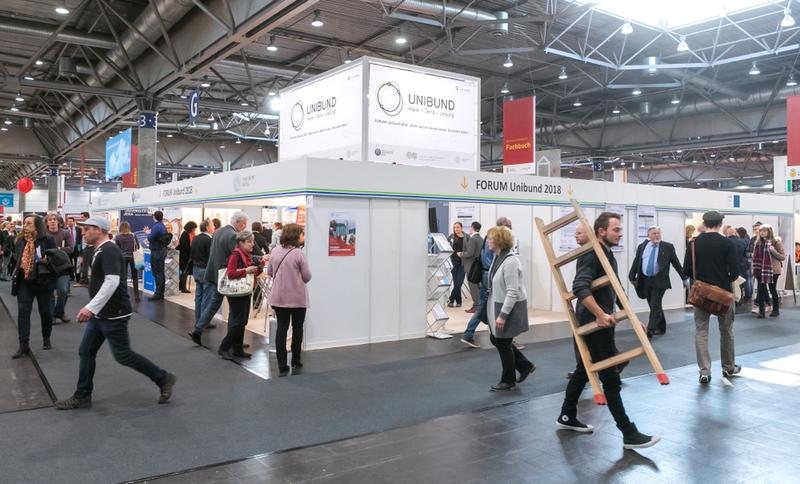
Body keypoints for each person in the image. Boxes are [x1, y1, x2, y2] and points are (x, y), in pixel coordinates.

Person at [557, 212, 660, 450]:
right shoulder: (594, 253)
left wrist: (632, 317)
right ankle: (628, 433)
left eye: (620, 229)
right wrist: (599, 314)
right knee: (610, 378)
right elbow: (580, 287)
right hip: (594, 325)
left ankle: (566, 415)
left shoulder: (605, 252)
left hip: (600, 322)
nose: (620, 233)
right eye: (616, 229)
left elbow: (615, 287)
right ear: (601, 231)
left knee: (583, 369)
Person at [53, 217, 176, 409]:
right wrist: (94, 308)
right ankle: (83, 395)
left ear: (99, 230)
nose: (83, 233)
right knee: (86, 351)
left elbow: (111, 281)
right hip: (102, 313)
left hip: (113, 313)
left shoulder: (109, 250)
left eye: (87, 229)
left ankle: (163, 378)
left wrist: (90, 308)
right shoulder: (100, 249)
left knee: (123, 355)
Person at [684, 211, 740, 384]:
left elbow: (686, 270)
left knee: (701, 331)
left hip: (701, 294)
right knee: (727, 331)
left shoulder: (694, 243)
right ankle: (728, 367)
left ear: (704, 223)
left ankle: (704, 371)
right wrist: (723, 281)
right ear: (720, 223)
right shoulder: (727, 243)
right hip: (723, 294)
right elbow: (735, 272)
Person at [484, 226, 535, 392]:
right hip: (497, 304)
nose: (488, 241)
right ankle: (525, 365)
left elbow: (512, 291)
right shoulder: (498, 257)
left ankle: (508, 380)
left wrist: (503, 315)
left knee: (502, 341)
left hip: (507, 307)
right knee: (496, 339)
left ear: (499, 241)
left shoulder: (511, 261)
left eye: (491, 238)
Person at [189, 211, 248, 345]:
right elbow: (238, 255)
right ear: (238, 222)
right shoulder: (232, 235)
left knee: (213, 304)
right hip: (226, 276)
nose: (244, 227)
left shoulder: (219, 231)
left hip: (215, 273)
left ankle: (197, 330)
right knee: (235, 309)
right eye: (244, 224)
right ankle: (234, 339)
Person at [268, 223, 311, 377]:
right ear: (296, 235)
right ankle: (296, 360)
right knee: (298, 328)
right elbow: (307, 276)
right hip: (297, 297)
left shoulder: (275, 251)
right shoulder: (299, 254)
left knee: (282, 328)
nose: (303, 236)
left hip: (279, 297)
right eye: (302, 233)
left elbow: (270, 271)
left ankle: (282, 364)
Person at [628, 226, 686, 338]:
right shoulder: (642, 246)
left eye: (658, 233)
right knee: (654, 305)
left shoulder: (668, 247)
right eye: (654, 233)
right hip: (645, 280)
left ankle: (649, 331)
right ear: (648, 235)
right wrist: (631, 276)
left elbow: (676, 263)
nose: (657, 235)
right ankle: (661, 327)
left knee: (655, 305)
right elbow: (637, 262)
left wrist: (684, 278)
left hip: (660, 281)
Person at [12, 215, 57, 358]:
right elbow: (17, 259)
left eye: (29, 223)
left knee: (46, 313)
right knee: (23, 313)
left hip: (43, 282)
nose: (25, 226)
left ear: (37, 225)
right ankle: (23, 345)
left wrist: (45, 261)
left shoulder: (48, 240)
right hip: (24, 281)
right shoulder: (20, 240)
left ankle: (46, 338)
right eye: (25, 223)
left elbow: (55, 259)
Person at [218, 231, 264, 360]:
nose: (252, 244)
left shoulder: (246, 255)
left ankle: (237, 348)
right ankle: (224, 347)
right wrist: (246, 270)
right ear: (241, 242)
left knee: (242, 321)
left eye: (252, 241)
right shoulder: (236, 254)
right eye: (249, 241)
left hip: (244, 291)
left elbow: (252, 272)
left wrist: (259, 266)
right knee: (238, 321)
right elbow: (231, 274)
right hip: (236, 293)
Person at [45, 213, 75, 325]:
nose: (52, 221)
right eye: (50, 219)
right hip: (47, 266)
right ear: (47, 222)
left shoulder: (65, 233)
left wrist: (56, 249)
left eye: (54, 219)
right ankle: (53, 314)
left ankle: (59, 312)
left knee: (63, 291)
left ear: (58, 221)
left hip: (62, 266)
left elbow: (71, 249)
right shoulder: (43, 233)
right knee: (50, 293)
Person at [752, 224, 785, 318]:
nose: (762, 233)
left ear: (769, 231)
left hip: (773, 270)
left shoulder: (776, 242)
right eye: (761, 231)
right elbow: (755, 256)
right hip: (760, 269)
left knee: (772, 289)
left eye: (764, 231)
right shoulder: (758, 243)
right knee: (761, 290)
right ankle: (761, 312)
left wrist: (773, 250)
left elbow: (782, 257)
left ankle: (776, 310)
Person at [190, 221, 213, 331]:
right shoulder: (209, 240)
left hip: (196, 268)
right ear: (208, 228)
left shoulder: (196, 238)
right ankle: (204, 322)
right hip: (205, 270)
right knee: (206, 297)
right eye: (212, 225)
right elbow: (211, 256)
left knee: (199, 296)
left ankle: (198, 320)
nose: (213, 227)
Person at [145, 211, 169, 301]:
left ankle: (158, 293)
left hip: (157, 252)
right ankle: (160, 292)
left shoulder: (156, 226)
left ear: (154, 217)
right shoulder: (162, 226)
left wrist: (148, 233)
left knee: (157, 273)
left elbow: (151, 238)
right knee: (160, 272)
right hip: (161, 251)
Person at [114, 221, 141, 302]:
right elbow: (138, 246)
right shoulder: (133, 235)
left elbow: (117, 248)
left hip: (123, 257)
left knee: (124, 276)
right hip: (133, 257)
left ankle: (124, 294)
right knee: (135, 276)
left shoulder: (118, 236)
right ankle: (136, 295)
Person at [462, 222, 483, 313]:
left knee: (473, 288)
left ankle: (476, 306)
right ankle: (479, 305)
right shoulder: (481, 239)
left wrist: (461, 254)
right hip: (478, 267)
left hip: (471, 267)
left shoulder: (472, 239)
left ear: (472, 228)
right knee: (478, 287)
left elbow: (469, 253)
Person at [748, 221, 768, 312]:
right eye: (755, 229)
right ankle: (766, 303)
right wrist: (751, 254)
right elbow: (747, 251)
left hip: (764, 266)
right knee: (762, 285)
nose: (756, 231)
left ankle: (759, 304)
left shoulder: (766, 240)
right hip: (755, 265)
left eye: (758, 229)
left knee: (762, 285)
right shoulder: (752, 239)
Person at [726, 226, 749, 304]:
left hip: (729, 266)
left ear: (727, 233)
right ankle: (739, 299)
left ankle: (731, 299)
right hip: (741, 265)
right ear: (735, 233)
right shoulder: (742, 242)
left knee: (731, 283)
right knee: (740, 283)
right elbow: (745, 254)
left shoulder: (726, 241)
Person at [447, 222, 466, 308]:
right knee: (456, 282)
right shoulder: (451, 236)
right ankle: (459, 301)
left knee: (459, 282)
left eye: (458, 227)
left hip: (463, 263)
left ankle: (451, 299)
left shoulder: (467, 237)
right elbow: (445, 246)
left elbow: (469, 249)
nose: (456, 229)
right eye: (455, 228)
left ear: (461, 228)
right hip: (454, 262)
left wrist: (463, 253)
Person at [177, 221, 197, 293]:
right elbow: (185, 246)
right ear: (190, 228)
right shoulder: (185, 235)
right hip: (185, 256)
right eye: (194, 228)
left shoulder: (188, 234)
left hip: (186, 256)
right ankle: (183, 288)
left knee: (185, 272)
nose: (194, 230)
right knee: (184, 272)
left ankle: (181, 286)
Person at [74, 211, 92, 288]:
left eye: (82, 217)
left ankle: (85, 281)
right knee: (84, 264)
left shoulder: (91, 225)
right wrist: (79, 250)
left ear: (87, 217)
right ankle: (84, 280)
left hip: (91, 247)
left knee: (89, 264)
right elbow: (78, 240)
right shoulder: (80, 227)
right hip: (85, 248)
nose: (81, 219)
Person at [737, 227, 753, 303]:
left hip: (742, 263)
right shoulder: (749, 240)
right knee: (749, 280)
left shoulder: (740, 241)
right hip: (749, 262)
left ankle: (746, 297)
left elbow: (740, 253)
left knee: (743, 281)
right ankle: (749, 296)